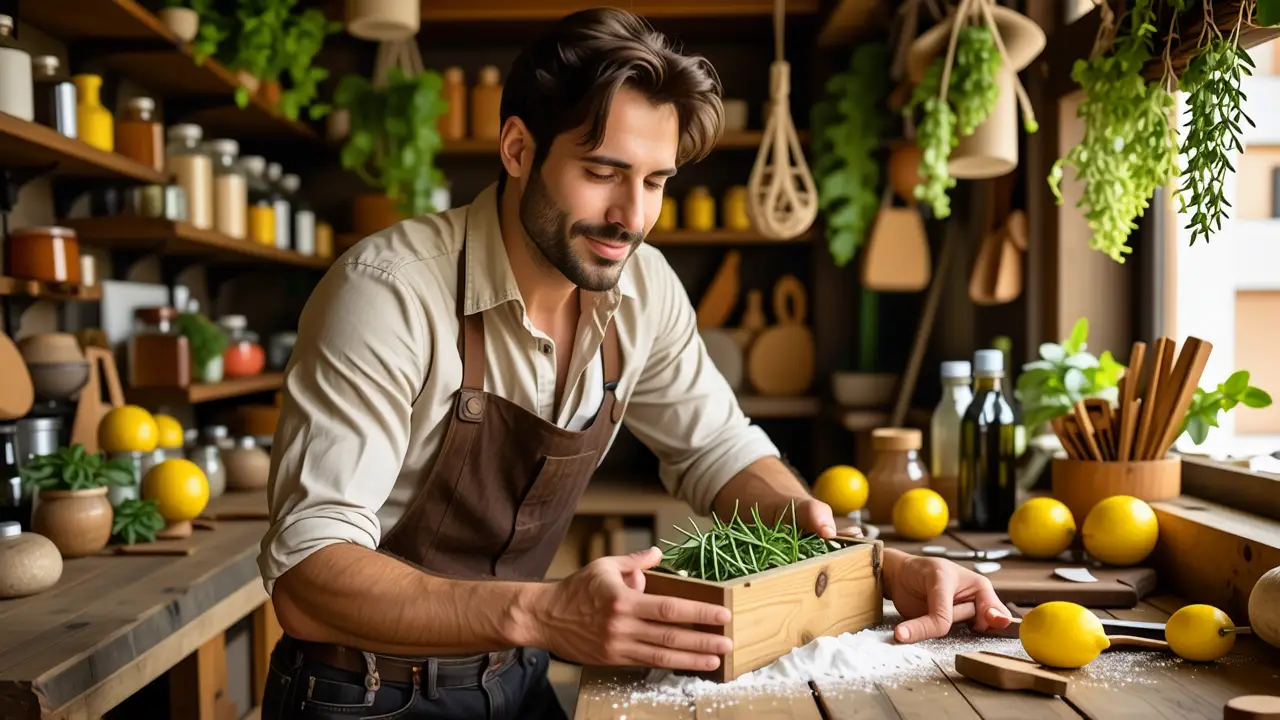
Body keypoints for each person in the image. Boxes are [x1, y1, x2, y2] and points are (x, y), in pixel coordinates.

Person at [257, 7, 1011, 719]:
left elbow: (718, 451)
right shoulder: (388, 293)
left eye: (655, 182)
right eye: (602, 172)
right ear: (518, 149)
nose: (632, 217)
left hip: (518, 674)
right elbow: (307, 576)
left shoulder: (643, 287)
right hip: (359, 693)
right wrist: (547, 612)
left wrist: (870, 565)